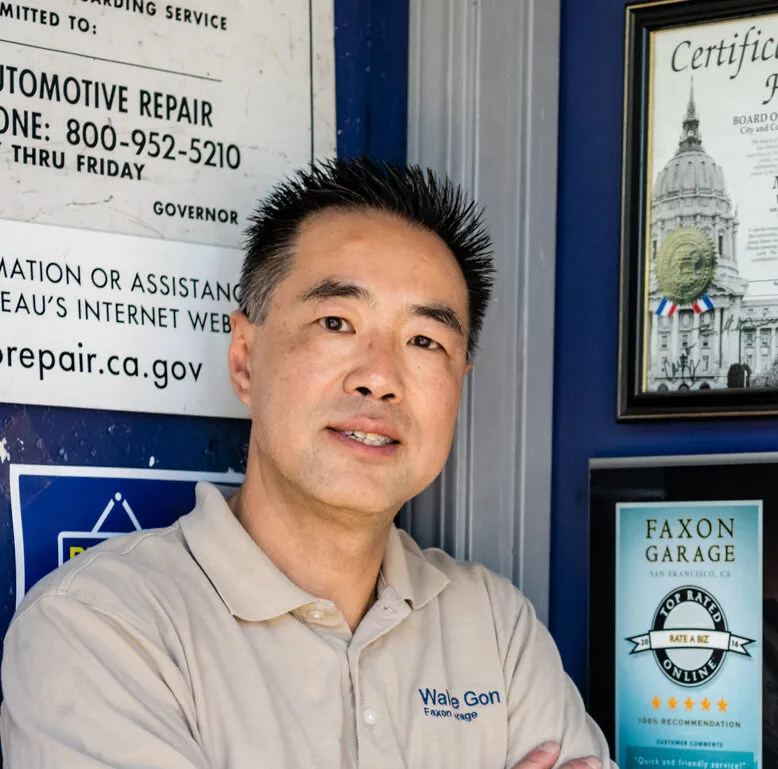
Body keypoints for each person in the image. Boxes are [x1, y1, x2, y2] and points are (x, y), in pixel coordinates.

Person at [0, 158, 613, 768]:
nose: (380, 377)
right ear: (245, 360)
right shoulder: (102, 624)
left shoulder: (495, 627)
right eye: (336, 322)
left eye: (425, 341)